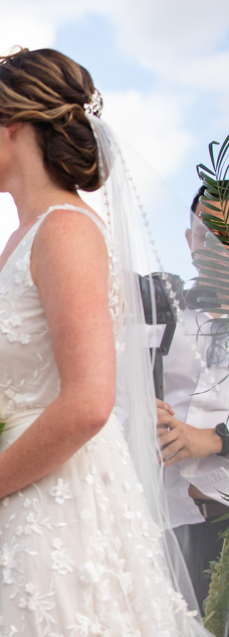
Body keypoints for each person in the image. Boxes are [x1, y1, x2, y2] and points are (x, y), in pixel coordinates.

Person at [0, 48, 204, 634]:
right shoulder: (24, 239)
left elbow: (89, 402)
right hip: (25, 499)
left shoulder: (65, 232)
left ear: (14, 127)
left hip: (65, 498)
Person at [157, 186, 229, 609]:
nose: (217, 248)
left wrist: (215, 439)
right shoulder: (162, 314)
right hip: (167, 521)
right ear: (189, 241)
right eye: (206, 235)